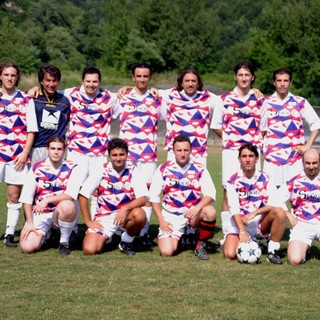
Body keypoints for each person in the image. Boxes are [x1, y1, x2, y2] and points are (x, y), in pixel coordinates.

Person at [114, 62, 164, 247]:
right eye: (139, 76)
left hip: (148, 156)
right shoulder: (122, 97)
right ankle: (115, 229)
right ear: (133, 78)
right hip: (126, 157)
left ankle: (142, 233)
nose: (142, 79)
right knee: (125, 192)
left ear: (149, 78)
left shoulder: (157, 98)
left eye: (145, 76)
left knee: (149, 194)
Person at [210, 61, 266, 213]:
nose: (243, 78)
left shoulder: (260, 100)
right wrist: (230, 137)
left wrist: (252, 143)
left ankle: (254, 229)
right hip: (231, 151)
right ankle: (229, 231)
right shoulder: (224, 99)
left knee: (254, 189)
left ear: (252, 77)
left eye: (247, 75)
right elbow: (215, 125)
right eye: (240, 75)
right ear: (235, 77)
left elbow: (264, 128)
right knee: (229, 191)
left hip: (253, 152)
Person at [149, 135, 217, 260]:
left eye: (186, 150)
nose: (182, 154)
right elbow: (153, 197)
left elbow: (211, 194)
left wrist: (197, 208)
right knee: (166, 251)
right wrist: (161, 220)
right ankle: (182, 239)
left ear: (191, 151)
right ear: (173, 151)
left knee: (210, 211)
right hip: (170, 216)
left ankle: (199, 244)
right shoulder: (164, 168)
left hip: (192, 216)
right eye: (179, 150)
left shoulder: (199, 168)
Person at [79, 138, 147, 256]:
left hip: (126, 217)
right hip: (104, 218)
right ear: (109, 155)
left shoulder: (134, 170)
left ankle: (126, 241)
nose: (118, 158)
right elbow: (83, 195)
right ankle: (109, 237)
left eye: (122, 154)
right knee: (90, 250)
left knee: (140, 214)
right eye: (114, 155)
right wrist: (88, 221)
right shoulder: (101, 170)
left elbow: (143, 199)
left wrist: (124, 209)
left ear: (127, 154)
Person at [222, 143, 286, 264]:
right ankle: (232, 240)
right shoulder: (232, 181)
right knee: (230, 254)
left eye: (251, 156)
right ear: (239, 159)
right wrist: (242, 232)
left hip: (258, 224)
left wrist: (253, 214)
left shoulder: (266, 178)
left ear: (257, 159)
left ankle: (272, 251)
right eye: (244, 156)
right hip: (238, 224)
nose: (247, 159)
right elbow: (234, 209)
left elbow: (274, 203)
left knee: (280, 212)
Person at [19, 136, 84, 255]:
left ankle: (64, 242)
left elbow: (70, 195)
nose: (56, 152)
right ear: (47, 149)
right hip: (41, 213)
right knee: (27, 247)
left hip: (62, 212)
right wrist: (29, 222)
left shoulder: (74, 167)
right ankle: (48, 234)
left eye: (59, 149)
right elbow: (26, 198)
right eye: (53, 148)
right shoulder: (36, 167)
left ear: (64, 150)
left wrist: (47, 200)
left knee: (67, 205)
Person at [0, 60, 38, 247]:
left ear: (17, 78)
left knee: (14, 196)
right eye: (6, 74)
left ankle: (9, 234)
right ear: (0, 76)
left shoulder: (25, 99)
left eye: (13, 75)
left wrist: (25, 152)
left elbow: (31, 130)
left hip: (16, 155)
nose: (9, 78)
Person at [262, 68, 320, 188]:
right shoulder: (264, 102)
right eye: (279, 80)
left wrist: (307, 146)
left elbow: (316, 124)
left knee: (296, 198)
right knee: (271, 199)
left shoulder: (300, 102)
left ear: (290, 83)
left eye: (285, 80)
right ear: (274, 82)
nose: (282, 84)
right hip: (271, 161)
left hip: (294, 160)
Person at [279, 148, 320, 265]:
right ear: (302, 163)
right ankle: (304, 250)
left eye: (314, 163)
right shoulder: (294, 181)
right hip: (301, 225)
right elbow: (276, 199)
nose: (311, 167)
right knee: (294, 260)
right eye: (308, 163)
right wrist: (289, 216)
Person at [30, 64, 70, 164]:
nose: (51, 84)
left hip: (57, 149)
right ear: (41, 81)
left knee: (57, 179)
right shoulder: (32, 97)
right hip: (37, 147)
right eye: (48, 80)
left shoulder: (64, 101)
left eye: (54, 80)